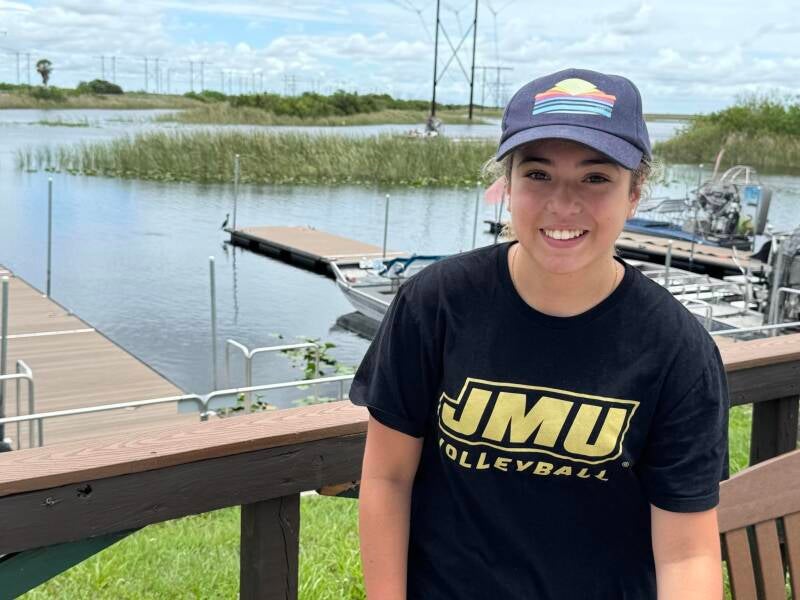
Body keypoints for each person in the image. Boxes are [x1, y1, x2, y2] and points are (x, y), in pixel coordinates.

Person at [350, 68, 728, 599]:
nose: (563, 204)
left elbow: (687, 551)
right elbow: (388, 478)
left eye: (596, 178)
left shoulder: (677, 350)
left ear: (635, 193)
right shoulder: (435, 304)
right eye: (538, 174)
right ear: (507, 184)